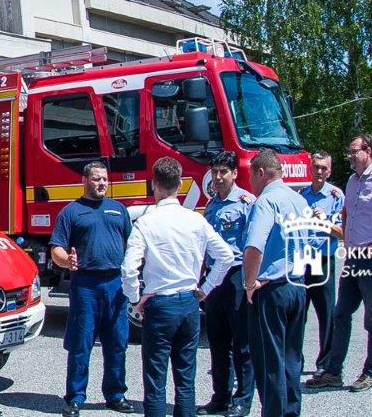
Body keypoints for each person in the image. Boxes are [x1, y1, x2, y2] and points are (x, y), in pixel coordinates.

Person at [121, 157, 234, 417]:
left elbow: (129, 268)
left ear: (154, 185)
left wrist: (135, 298)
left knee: (155, 379)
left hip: (160, 303)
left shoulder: (147, 222)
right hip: (189, 301)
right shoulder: (195, 219)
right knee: (185, 378)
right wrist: (206, 287)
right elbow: (226, 256)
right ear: (180, 184)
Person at [306, 135, 372, 393]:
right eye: (349, 151)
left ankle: (370, 372)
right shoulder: (352, 182)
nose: (350, 156)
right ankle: (333, 372)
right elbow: (346, 215)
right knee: (340, 314)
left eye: (354, 151)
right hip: (353, 258)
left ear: (368, 151)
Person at [50, 162, 134, 416]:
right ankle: (75, 398)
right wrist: (66, 261)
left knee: (117, 343)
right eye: (97, 179)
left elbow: (132, 245)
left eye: (105, 180)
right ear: (84, 181)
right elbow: (56, 248)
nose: (102, 184)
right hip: (85, 285)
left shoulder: (118, 210)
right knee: (81, 344)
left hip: (115, 285)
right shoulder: (71, 212)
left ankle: (116, 395)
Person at [242, 149, 309, 417]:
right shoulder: (298, 200)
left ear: (260, 172)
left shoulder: (265, 202)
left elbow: (254, 248)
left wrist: (249, 284)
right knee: (292, 359)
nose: (250, 183)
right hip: (298, 285)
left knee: (270, 361)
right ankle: (292, 412)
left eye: (251, 176)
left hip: (272, 287)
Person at [200, 152, 256, 417]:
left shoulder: (247, 203)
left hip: (236, 276)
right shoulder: (210, 205)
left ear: (234, 173)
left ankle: (243, 398)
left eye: (224, 172)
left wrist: (250, 280)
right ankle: (220, 396)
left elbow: (254, 244)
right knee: (217, 341)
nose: (218, 177)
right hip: (214, 279)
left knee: (241, 342)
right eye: (215, 172)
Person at [297, 152, 344, 376]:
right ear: (310, 168)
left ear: (329, 171)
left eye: (324, 168)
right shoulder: (300, 195)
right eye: (316, 167)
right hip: (302, 259)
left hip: (324, 259)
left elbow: (343, 232)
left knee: (326, 313)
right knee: (297, 313)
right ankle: (295, 360)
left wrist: (324, 221)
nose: (319, 172)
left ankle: (324, 363)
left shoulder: (336, 196)